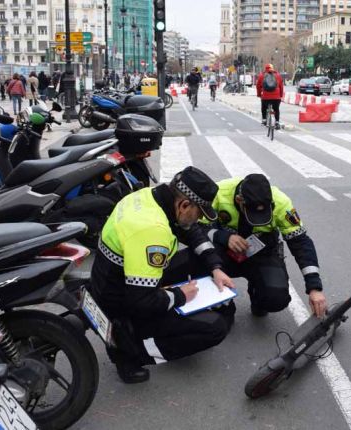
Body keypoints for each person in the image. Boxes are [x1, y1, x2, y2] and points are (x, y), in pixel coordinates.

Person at [90, 166, 237, 384]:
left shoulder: (149, 197)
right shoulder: (153, 229)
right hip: (122, 303)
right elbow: (141, 300)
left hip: (112, 278)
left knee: (200, 261)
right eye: (199, 213)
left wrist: (215, 267)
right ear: (184, 204)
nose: (199, 220)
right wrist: (180, 295)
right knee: (215, 328)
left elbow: (191, 231)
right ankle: (130, 352)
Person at [203, 174, 327, 317]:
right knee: (198, 260)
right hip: (223, 252)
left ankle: (257, 293)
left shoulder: (281, 202)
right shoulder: (219, 193)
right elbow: (196, 229)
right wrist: (224, 237)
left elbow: (300, 242)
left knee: (276, 299)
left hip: (262, 252)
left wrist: (314, 287)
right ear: (239, 200)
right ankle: (219, 302)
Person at [256, 63, 284, 129]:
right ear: (272, 68)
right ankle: (277, 122)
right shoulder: (278, 75)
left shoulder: (261, 76)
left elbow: (258, 86)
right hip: (276, 97)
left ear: (265, 69)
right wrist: (281, 95)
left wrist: (259, 94)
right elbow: (281, 87)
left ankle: (264, 120)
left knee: (264, 107)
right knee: (276, 109)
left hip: (265, 97)